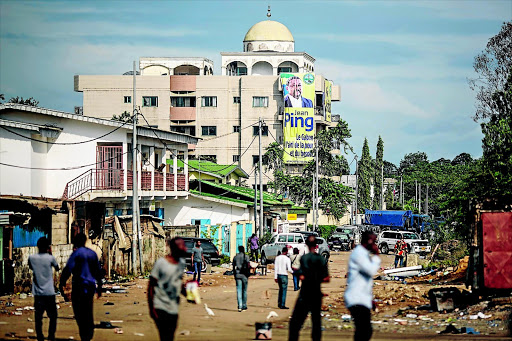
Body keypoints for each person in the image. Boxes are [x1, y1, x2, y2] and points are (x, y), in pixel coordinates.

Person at [59, 233, 102, 341]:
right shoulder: (92, 254)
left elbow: (68, 268)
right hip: (90, 287)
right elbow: (98, 272)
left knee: (78, 311)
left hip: (79, 286)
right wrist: (100, 286)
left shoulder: (76, 254)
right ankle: (89, 333)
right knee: (88, 309)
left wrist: (62, 281)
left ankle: (84, 333)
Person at [289, 236, 329, 341]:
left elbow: (301, 274)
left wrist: (304, 276)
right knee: (316, 322)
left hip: (305, 294)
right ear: (316, 245)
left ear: (306, 245)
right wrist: (317, 278)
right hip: (316, 294)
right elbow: (326, 278)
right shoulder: (321, 259)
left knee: (295, 323)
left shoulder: (304, 258)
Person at [148, 237, 188, 341]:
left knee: (171, 335)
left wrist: (188, 293)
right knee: (165, 336)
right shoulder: (161, 263)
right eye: (182, 246)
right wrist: (152, 308)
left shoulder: (181, 263)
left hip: (173, 306)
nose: (185, 249)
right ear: (174, 248)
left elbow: (178, 284)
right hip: (160, 305)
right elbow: (151, 286)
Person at [344, 231, 381, 341]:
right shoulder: (359, 254)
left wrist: (370, 299)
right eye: (374, 242)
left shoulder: (363, 254)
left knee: (364, 330)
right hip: (356, 298)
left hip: (361, 298)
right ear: (369, 241)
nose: (375, 245)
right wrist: (377, 256)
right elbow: (371, 270)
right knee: (364, 330)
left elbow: (364, 281)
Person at [29, 237, 59, 341]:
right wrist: (50, 253)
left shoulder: (32, 258)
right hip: (49, 292)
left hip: (38, 293)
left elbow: (31, 267)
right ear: (48, 247)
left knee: (38, 317)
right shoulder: (50, 258)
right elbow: (57, 267)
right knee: (53, 316)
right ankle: (51, 335)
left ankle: (40, 336)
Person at [233, 245, 250, 312]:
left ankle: (239, 306)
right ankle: (244, 305)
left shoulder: (235, 257)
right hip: (244, 275)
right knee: (244, 291)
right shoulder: (246, 256)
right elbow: (248, 265)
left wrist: (234, 274)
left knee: (239, 290)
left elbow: (233, 266)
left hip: (238, 274)